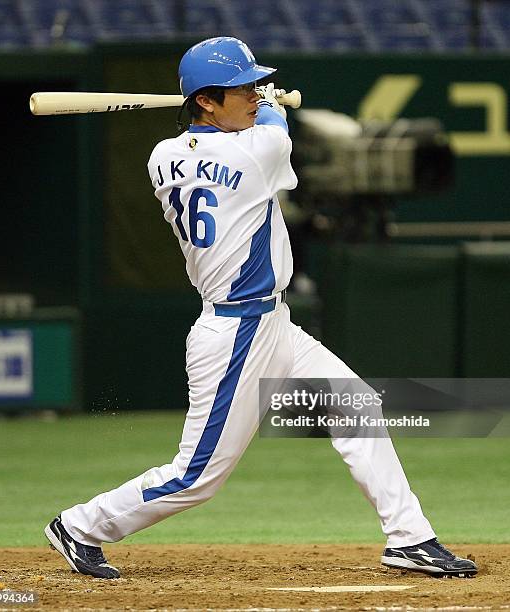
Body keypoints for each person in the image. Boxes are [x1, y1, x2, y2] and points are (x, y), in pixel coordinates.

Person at [44, 37, 477, 580]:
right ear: (205, 100)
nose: (253, 93)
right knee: (196, 477)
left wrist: (250, 101)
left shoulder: (164, 155)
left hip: (272, 322)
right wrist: (271, 105)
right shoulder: (257, 149)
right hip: (236, 330)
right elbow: (273, 136)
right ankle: (81, 525)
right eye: (242, 87)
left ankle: (410, 539)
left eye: (255, 85)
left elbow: (225, 142)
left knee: (357, 407)